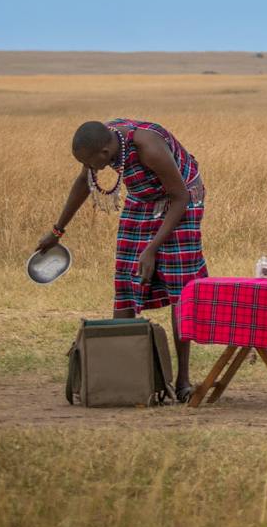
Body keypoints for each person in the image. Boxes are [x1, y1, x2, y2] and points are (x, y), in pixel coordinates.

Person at [36, 118, 208, 399]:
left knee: (180, 289)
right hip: (143, 200)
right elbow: (83, 183)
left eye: (92, 163)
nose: (91, 168)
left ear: (105, 154)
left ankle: (183, 381)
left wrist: (151, 249)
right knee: (126, 280)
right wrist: (57, 230)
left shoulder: (147, 147)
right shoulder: (102, 140)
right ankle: (123, 377)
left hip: (183, 200)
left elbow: (180, 197)